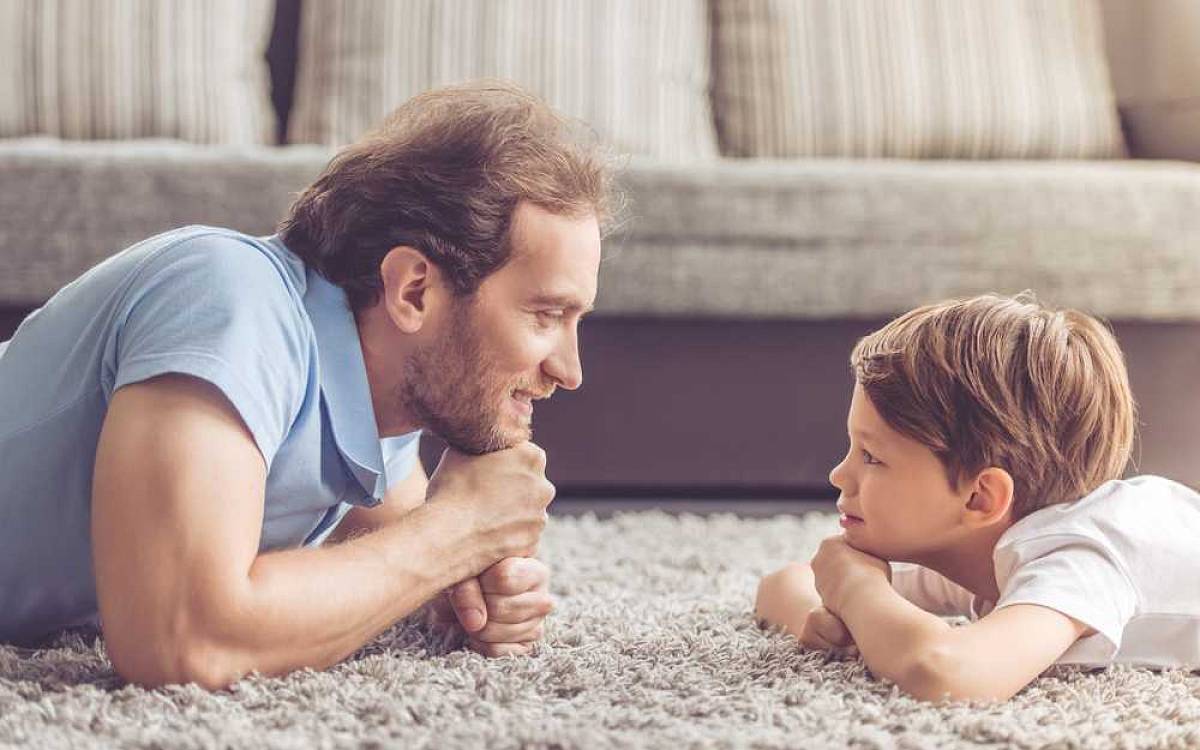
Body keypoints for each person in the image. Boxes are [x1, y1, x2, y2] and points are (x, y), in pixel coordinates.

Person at [0, 81, 616, 689]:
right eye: (545, 315)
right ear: (414, 291)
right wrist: (458, 532)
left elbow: (396, 550)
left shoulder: (384, 404)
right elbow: (179, 639)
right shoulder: (227, 297)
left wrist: (461, 590)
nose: (571, 370)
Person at [755, 293, 1200, 701]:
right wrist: (819, 618)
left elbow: (945, 673)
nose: (838, 474)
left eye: (871, 457)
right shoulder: (977, 547)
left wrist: (857, 590)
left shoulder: (1077, 560)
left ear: (979, 499)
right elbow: (781, 584)